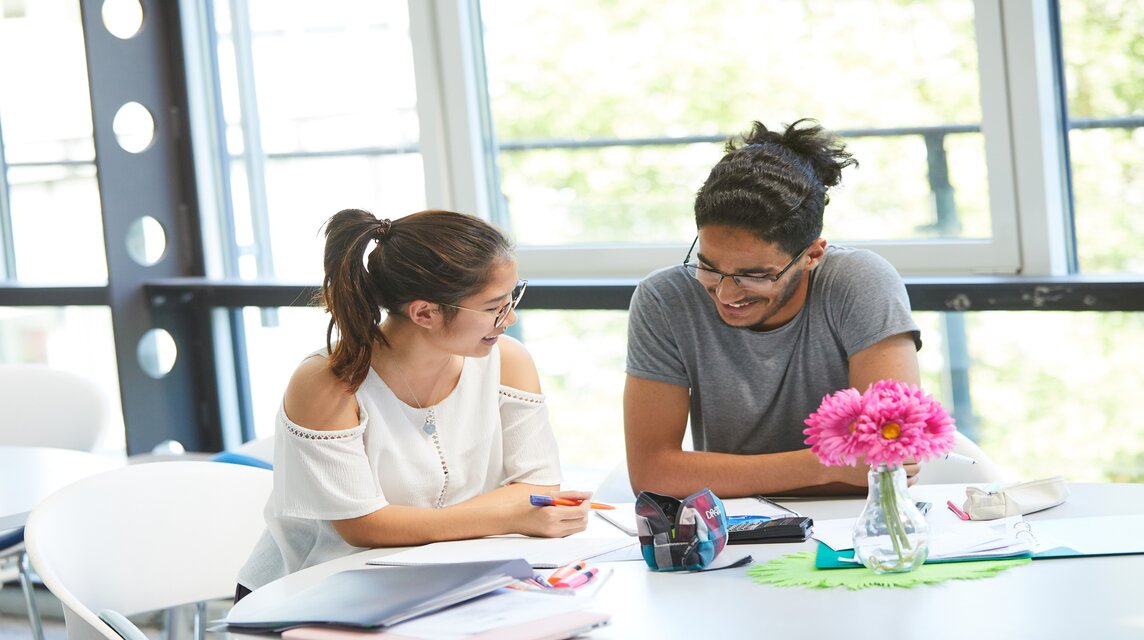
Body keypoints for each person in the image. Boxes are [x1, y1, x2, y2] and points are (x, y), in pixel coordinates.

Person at [237, 208, 591, 598]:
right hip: (310, 592)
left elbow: (538, 485)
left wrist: (515, 511)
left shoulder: (508, 361)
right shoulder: (330, 380)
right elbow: (363, 527)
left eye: (512, 298)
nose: (509, 319)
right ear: (425, 312)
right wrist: (511, 514)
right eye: (494, 308)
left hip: (438, 580)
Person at [624, 118, 923, 499]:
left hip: (855, 520)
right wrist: (826, 462)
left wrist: (712, 475)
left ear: (812, 254)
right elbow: (653, 475)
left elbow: (890, 454)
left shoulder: (860, 282)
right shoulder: (664, 299)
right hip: (733, 528)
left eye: (755, 275)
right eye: (709, 267)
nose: (728, 295)